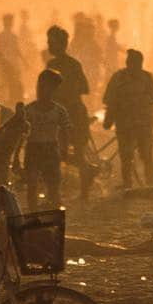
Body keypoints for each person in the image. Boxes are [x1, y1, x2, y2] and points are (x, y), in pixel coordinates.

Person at [46, 26, 95, 199]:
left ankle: (63, 193)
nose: (49, 45)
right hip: (69, 113)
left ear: (61, 44)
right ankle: (84, 182)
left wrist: (64, 91)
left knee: (63, 153)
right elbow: (84, 88)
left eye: (51, 42)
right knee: (66, 154)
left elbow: (83, 88)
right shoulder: (72, 64)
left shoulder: (55, 66)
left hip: (71, 113)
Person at [103, 49, 153, 188]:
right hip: (125, 123)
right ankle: (128, 184)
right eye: (130, 62)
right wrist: (109, 118)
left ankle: (150, 185)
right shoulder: (118, 78)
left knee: (146, 155)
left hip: (142, 123)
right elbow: (110, 99)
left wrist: (137, 101)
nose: (132, 65)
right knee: (126, 156)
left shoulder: (146, 78)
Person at [24, 69, 70, 211]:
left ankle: (54, 217)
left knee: (53, 187)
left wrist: (64, 150)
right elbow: (21, 134)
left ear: (54, 90)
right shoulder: (28, 110)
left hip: (51, 149)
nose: (41, 90)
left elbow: (65, 132)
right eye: (40, 86)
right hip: (33, 149)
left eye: (45, 87)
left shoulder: (60, 111)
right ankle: (32, 215)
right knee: (32, 186)